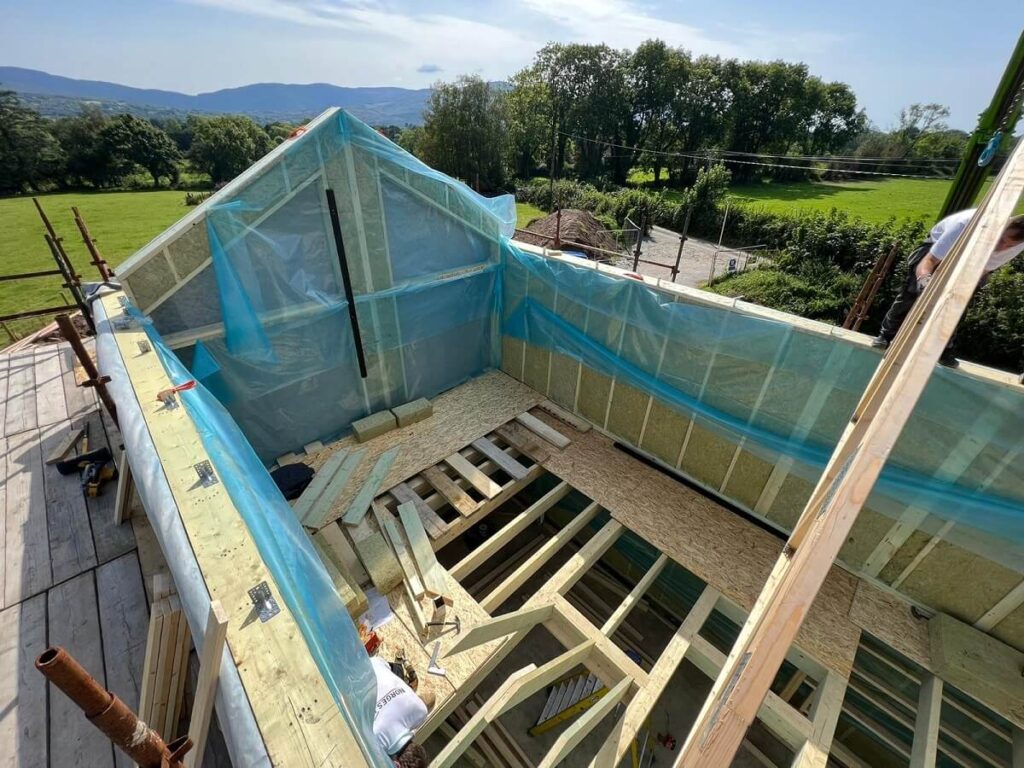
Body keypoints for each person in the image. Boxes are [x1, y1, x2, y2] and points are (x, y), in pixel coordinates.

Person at [872, 211, 1024, 366]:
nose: (1002, 247)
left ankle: (942, 350)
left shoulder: (1017, 244)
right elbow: (929, 261)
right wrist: (925, 283)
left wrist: (958, 293)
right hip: (935, 247)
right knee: (911, 292)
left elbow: (981, 271)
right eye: (1001, 240)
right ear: (1000, 227)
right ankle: (886, 336)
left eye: (1009, 245)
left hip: (974, 258)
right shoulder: (965, 225)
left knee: (958, 304)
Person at [370, 654, 435, 767]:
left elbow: (430, 698)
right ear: (397, 765)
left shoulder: (421, 711)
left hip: (375, 662)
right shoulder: (375, 744)